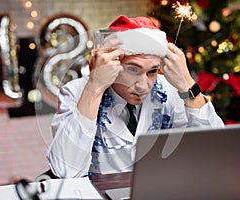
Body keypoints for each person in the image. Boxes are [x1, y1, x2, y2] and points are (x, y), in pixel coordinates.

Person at [47, 15, 224, 178]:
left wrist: (187, 84)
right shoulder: (77, 92)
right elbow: (65, 170)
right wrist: (95, 87)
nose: (142, 85)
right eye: (133, 69)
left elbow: (216, 151)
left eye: (152, 71)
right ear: (112, 62)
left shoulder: (170, 90)